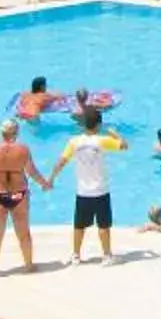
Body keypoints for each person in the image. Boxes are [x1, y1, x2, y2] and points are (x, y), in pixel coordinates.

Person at [0, 120, 51, 276]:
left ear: (1, 133)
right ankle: (28, 265)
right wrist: (44, 184)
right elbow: (32, 171)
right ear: (16, 133)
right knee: (24, 232)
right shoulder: (23, 150)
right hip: (19, 193)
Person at [57, 103, 120, 263]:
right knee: (104, 226)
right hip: (101, 191)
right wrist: (115, 135)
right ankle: (106, 255)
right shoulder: (103, 141)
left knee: (79, 226)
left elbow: (61, 162)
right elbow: (125, 146)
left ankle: (76, 255)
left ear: (84, 124)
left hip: (82, 192)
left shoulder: (74, 142)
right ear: (98, 125)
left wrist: (50, 179)